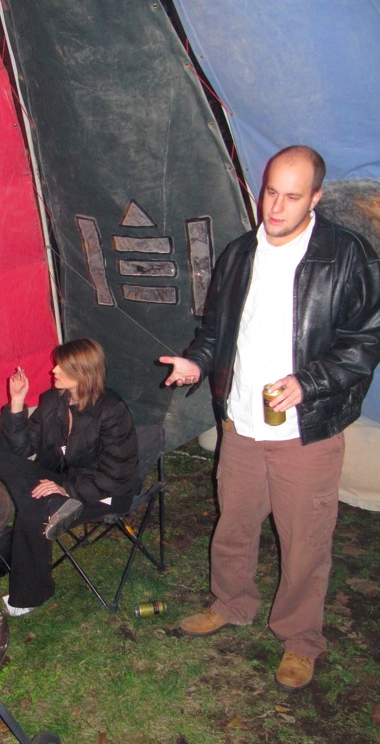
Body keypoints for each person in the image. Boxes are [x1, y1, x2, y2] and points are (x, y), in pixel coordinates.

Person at [160, 146, 380, 691]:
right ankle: (231, 603)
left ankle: (300, 638)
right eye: (270, 193)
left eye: (292, 196)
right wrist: (197, 361)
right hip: (240, 424)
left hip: (305, 432)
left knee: (305, 540)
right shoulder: (239, 254)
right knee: (233, 526)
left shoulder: (345, 256)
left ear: (317, 198)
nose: (276, 207)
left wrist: (309, 383)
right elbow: (216, 332)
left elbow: (365, 341)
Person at [0, 338, 140, 616]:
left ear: (83, 373)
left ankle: (31, 596)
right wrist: (17, 401)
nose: (54, 370)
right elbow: (19, 450)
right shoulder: (52, 401)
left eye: (62, 366)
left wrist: (65, 488)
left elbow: (117, 475)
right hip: (60, 480)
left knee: (33, 513)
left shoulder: (111, 410)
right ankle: (51, 507)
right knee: (0, 459)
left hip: (103, 491)